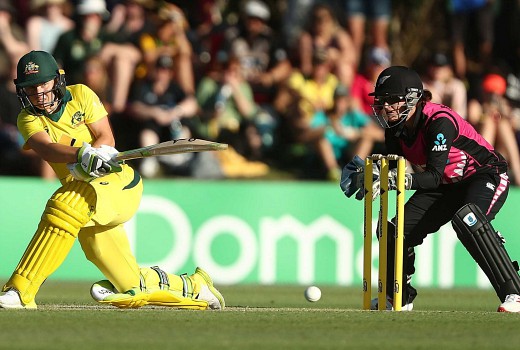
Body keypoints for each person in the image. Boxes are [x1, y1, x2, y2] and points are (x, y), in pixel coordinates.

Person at [0, 50, 224, 310]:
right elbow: (47, 148)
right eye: (31, 88)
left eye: (43, 84)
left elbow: (106, 136)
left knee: (64, 204)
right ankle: (196, 286)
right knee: (129, 282)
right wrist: (81, 154)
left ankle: (20, 290)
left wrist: (99, 153)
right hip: (84, 201)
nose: (39, 93)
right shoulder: (27, 118)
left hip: (117, 184)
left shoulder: (81, 94)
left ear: (57, 80)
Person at [340, 65, 520, 312]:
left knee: (469, 220)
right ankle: (398, 297)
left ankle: (515, 293)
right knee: (394, 229)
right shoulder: (395, 128)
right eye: (382, 101)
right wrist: (373, 176)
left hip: (485, 174)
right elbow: (394, 167)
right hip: (446, 186)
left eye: (393, 100)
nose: (386, 107)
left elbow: (433, 176)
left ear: (413, 98)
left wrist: (399, 181)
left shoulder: (439, 122)